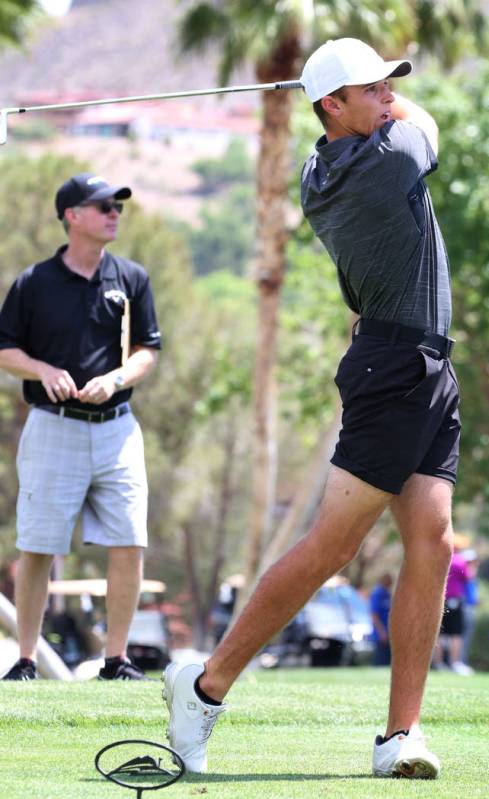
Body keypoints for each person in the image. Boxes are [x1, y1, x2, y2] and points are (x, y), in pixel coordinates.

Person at [164, 37, 459, 780]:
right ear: (330, 104)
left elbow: (385, 112)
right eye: (374, 90)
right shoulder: (386, 162)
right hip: (393, 367)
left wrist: (370, 83)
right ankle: (203, 688)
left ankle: (400, 735)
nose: (390, 98)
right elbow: (427, 124)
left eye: (391, 88)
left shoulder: (321, 167)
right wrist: (393, 96)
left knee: (434, 539)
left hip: (423, 365)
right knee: (332, 548)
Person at [0, 173, 161, 681]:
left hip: (117, 427)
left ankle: (116, 660)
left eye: (117, 206)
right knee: (38, 545)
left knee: (130, 540)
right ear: (72, 215)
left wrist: (115, 379)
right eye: (103, 206)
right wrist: (42, 370)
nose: (114, 213)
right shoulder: (33, 283)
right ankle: (25, 660)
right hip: (53, 428)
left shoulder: (131, 278)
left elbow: (147, 351)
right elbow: (5, 350)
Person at [433, 534, 473, 675]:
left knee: (440, 633)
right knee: (456, 634)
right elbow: (467, 578)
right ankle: (455, 663)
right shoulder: (460, 561)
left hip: (440, 600)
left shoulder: (440, 558)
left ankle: (438, 664)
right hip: (455, 601)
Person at [369, 573, 393, 666]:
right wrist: (381, 631)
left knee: (388, 658)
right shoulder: (378, 593)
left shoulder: (387, 593)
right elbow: (374, 615)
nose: (391, 583)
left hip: (388, 630)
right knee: (380, 659)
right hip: (381, 632)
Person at [461, 548, 479, 667]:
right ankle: (459, 661)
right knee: (462, 637)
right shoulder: (465, 574)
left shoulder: (471, 574)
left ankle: (461, 660)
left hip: (469, 607)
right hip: (465, 607)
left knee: (465, 636)